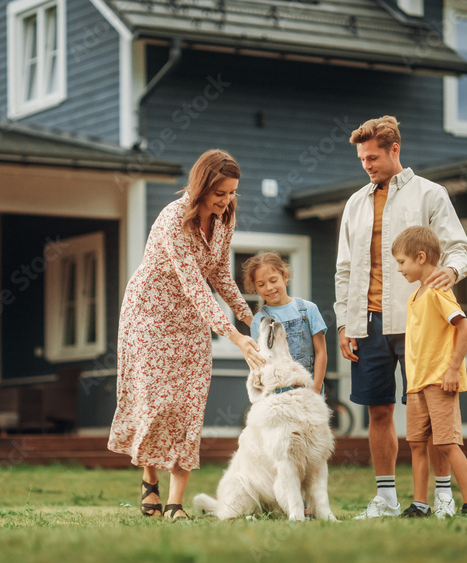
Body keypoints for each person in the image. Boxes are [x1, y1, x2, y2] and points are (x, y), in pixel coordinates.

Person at [107, 149, 264, 520]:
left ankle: (176, 503)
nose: (226, 202)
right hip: (150, 316)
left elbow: (219, 275)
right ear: (202, 187)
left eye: (231, 193)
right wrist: (235, 337)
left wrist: (249, 318)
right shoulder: (173, 219)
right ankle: (149, 481)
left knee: (189, 405)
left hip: (192, 320)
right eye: (220, 194)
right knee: (156, 403)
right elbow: (195, 285)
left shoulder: (226, 219)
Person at [335, 115, 467, 519]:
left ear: (395, 150)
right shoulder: (355, 203)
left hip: (421, 325)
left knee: (431, 415)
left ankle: (442, 496)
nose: (367, 165)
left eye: (373, 157)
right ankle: (387, 499)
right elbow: (344, 270)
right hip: (367, 324)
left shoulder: (430, 194)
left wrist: (454, 269)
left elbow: (457, 246)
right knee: (378, 410)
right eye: (362, 159)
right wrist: (345, 322)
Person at [392, 226, 467, 517]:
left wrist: (453, 370)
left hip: (440, 381)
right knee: (417, 444)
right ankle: (420, 504)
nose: (399, 269)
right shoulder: (415, 296)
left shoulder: (437, 291)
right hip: (416, 383)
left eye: (402, 262)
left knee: (446, 443)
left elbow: (465, 328)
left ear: (420, 257)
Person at [243, 252, 328, 395]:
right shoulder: (259, 321)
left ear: (285, 277)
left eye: (273, 280)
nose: (269, 287)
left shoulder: (308, 309)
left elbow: (321, 351)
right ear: (255, 288)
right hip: (278, 393)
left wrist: (316, 387)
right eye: (261, 284)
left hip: (309, 389)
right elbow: (262, 363)